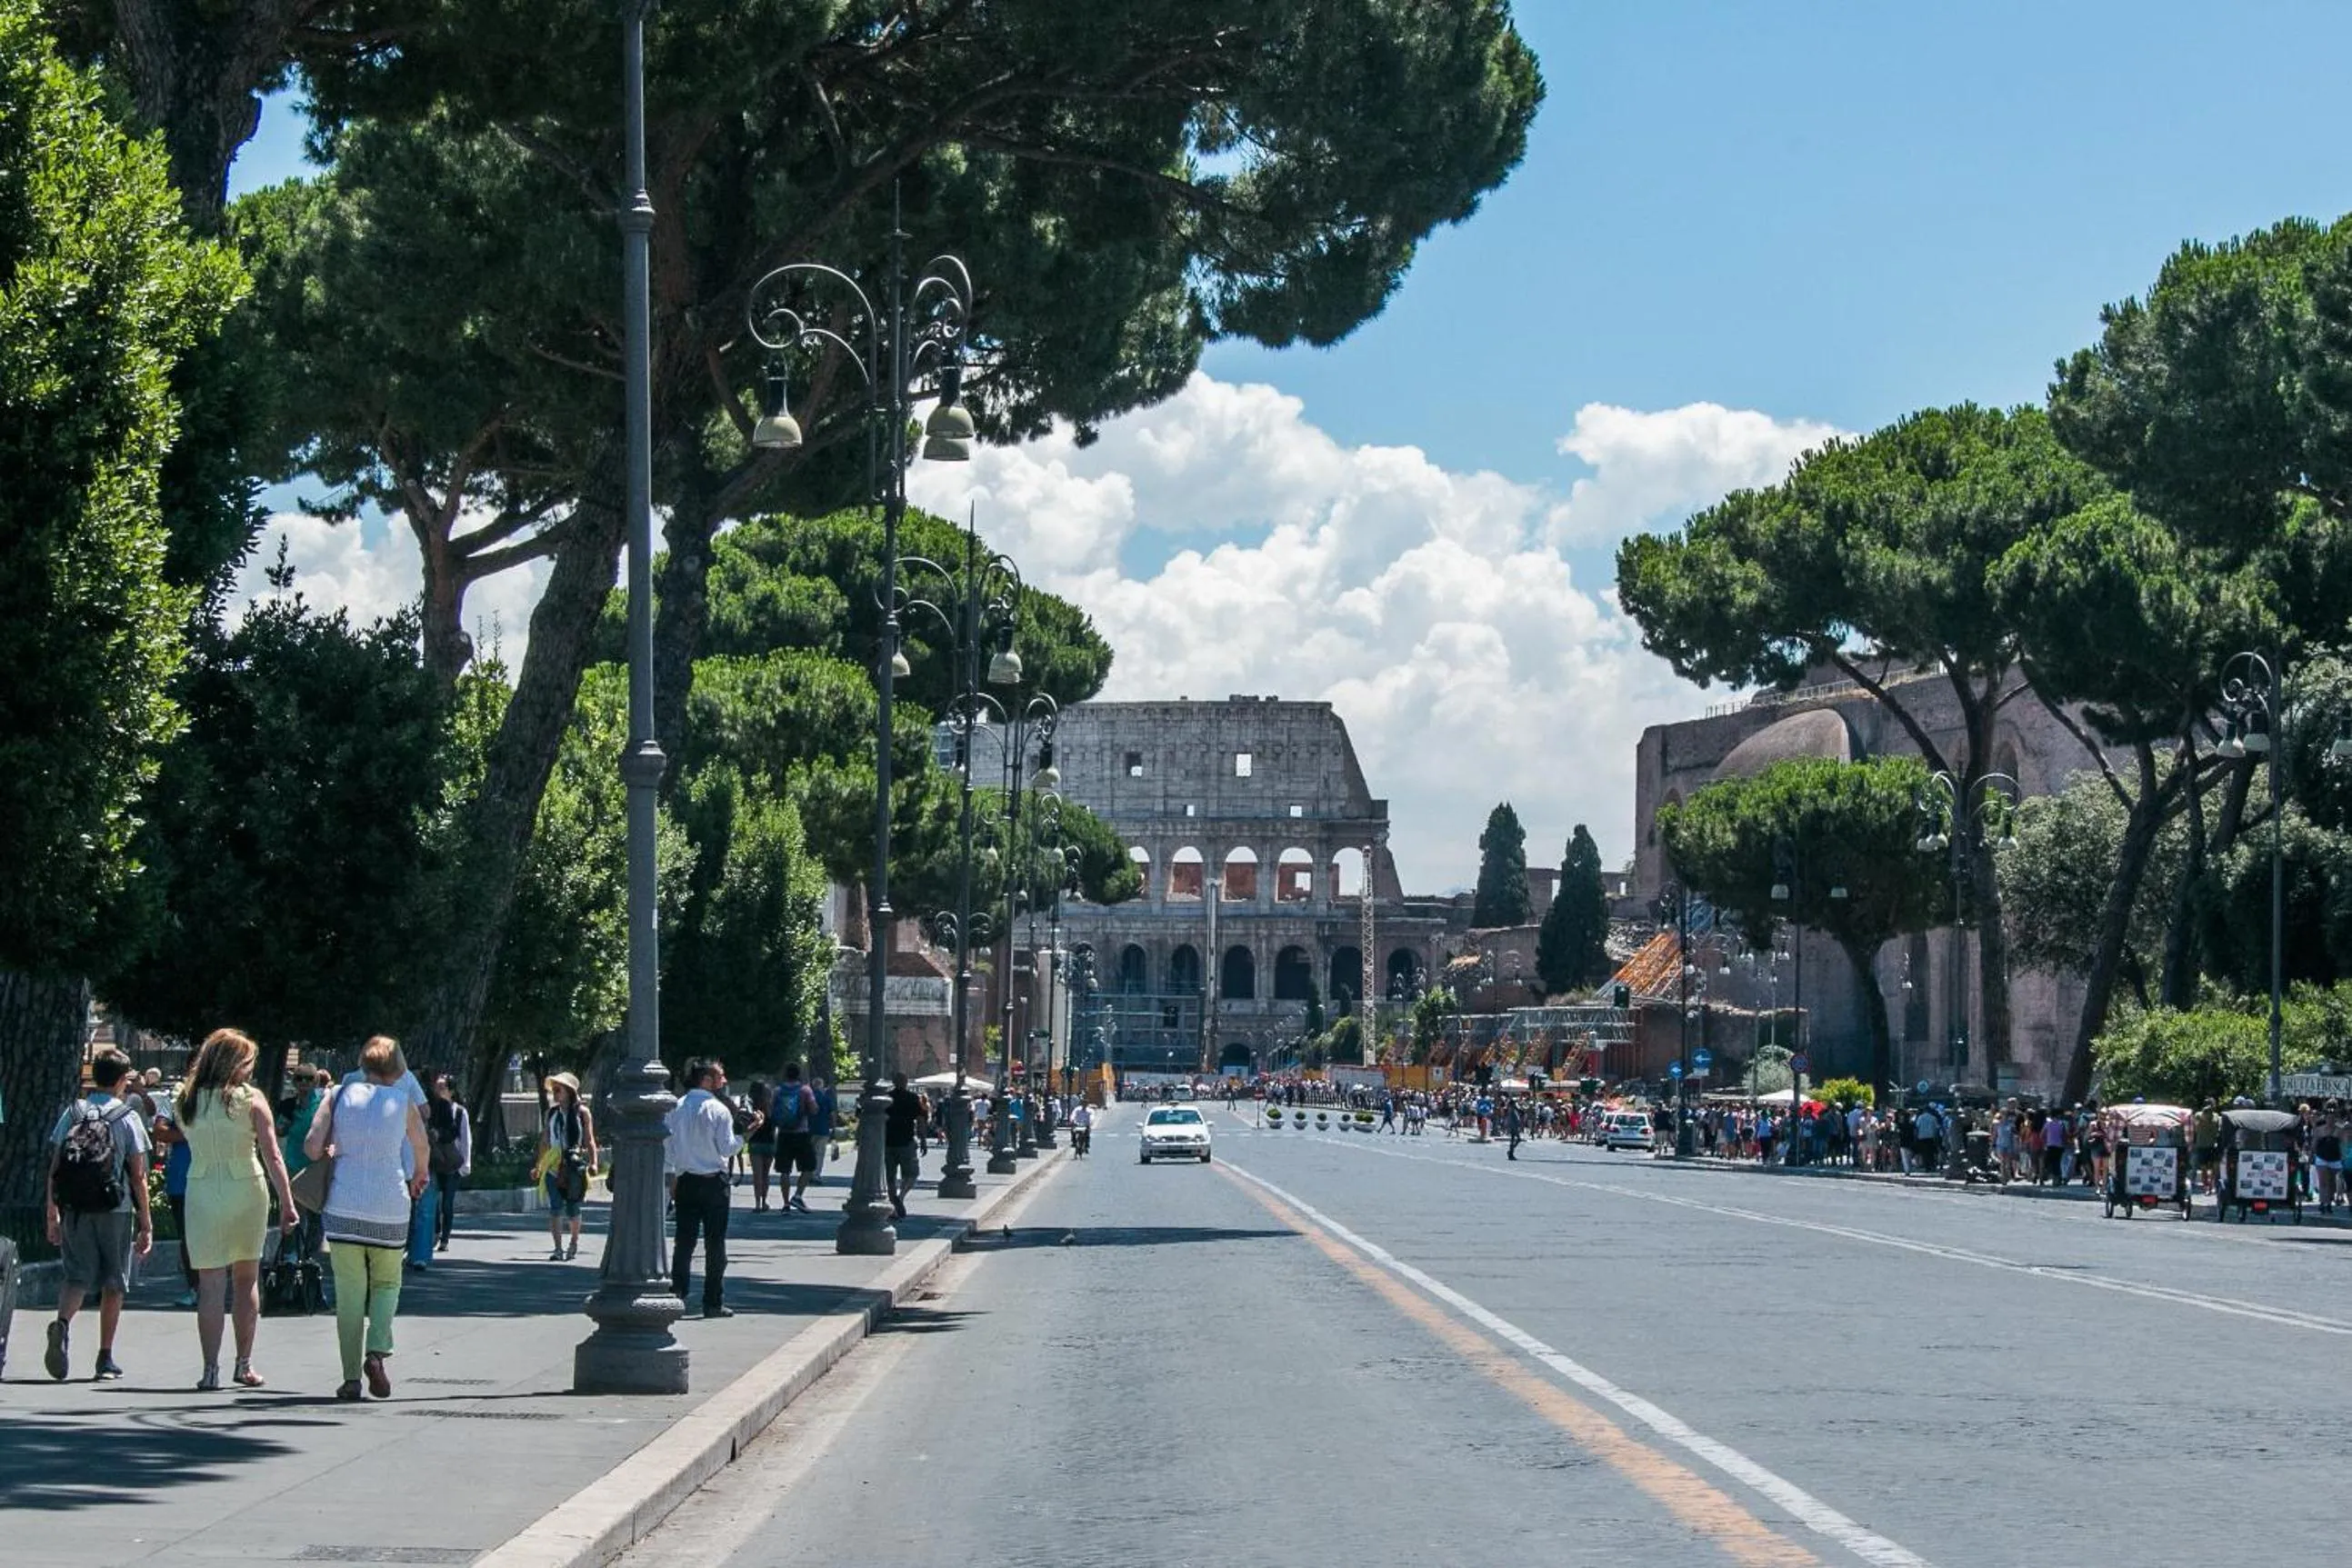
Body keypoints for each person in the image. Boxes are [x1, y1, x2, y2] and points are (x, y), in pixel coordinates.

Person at [175, 1028, 300, 1390]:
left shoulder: (186, 1098)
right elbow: (272, 1154)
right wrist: (288, 1203)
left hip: (200, 1187)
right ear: (236, 1063)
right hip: (246, 1186)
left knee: (210, 1283)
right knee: (246, 1279)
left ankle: (209, 1369)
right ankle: (244, 1364)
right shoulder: (251, 1099)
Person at [309, 1034, 430, 1402]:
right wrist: (419, 1176)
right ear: (397, 1067)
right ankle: (376, 1352)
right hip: (389, 1204)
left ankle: (350, 1379)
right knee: (387, 1284)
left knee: (349, 1294)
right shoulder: (404, 1101)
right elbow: (421, 1148)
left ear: (363, 1063)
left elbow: (313, 1148)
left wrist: (337, 1148)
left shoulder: (337, 1095)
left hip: (343, 1205)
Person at [43, 1048, 154, 1382]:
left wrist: (52, 1212)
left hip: (75, 1206)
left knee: (76, 1276)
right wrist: (146, 1222)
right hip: (114, 1208)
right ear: (122, 1081)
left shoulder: (74, 1111)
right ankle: (104, 1357)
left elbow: (56, 1167)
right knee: (113, 1282)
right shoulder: (127, 1116)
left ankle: (62, 1325)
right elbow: (138, 1175)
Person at [666, 1058, 742, 1318]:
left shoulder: (676, 1108)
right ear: (706, 1080)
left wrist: (673, 1178)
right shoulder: (718, 1110)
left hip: (686, 1180)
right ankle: (712, 1301)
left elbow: (669, 1148)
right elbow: (727, 1148)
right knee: (715, 1243)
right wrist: (746, 1134)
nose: (724, 1080)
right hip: (714, 1182)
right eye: (719, 1076)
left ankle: (677, 1293)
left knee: (684, 1242)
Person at [539, 1073, 597, 1261]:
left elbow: (589, 1140)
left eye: (558, 1090)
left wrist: (594, 1162)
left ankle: (573, 1242)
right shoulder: (551, 1114)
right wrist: (539, 1165)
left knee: (573, 1209)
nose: (555, 1094)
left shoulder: (582, 1113)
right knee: (555, 1208)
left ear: (569, 1092)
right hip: (554, 1165)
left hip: (574, 1165)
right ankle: (557, 1248)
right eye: (553, 1090)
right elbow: (545, 1141)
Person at [425, 1074, 472, 1252]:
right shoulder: (431, 1108)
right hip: (435, 1161)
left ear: (451, 1091)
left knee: (447, 1203)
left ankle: (445, 1237)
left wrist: (465, 1165)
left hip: (452, 1164)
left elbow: (465, 1139)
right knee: (434, 1201)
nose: (439, 1090)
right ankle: (435, 1233)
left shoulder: (459, 1112)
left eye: (443, 1087)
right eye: (437, 1087)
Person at [769, 1064, 818, 1213]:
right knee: (809, 1166)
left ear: (786, 1075)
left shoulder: (778, 1091)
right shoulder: (805, 1090)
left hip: (784, 1134)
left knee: (784, 1170)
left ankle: (785, 1205)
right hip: (801, 1133)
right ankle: (797, 1195)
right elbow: (814, 1109)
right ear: (798, 1075)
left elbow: (771, 1111)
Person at [885, 1070, 926, 1219]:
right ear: (906, 1083)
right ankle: (900, 1197)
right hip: (906, 1141)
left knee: (890, 1176)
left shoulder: (886, 1098)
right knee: (912, 1174)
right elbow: (920, 1119)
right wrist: (923, 1140)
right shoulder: (913, 1098)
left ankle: (894, 1200)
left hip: (887, 1141)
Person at [745, 1078, 777, 1212]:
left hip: (755, 1142)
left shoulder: (751, 1107)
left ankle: (757, 1203)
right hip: (769, 1142)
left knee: (757, 1175)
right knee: (766, 1175)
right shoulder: (771, 1106)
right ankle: (764, 1201)